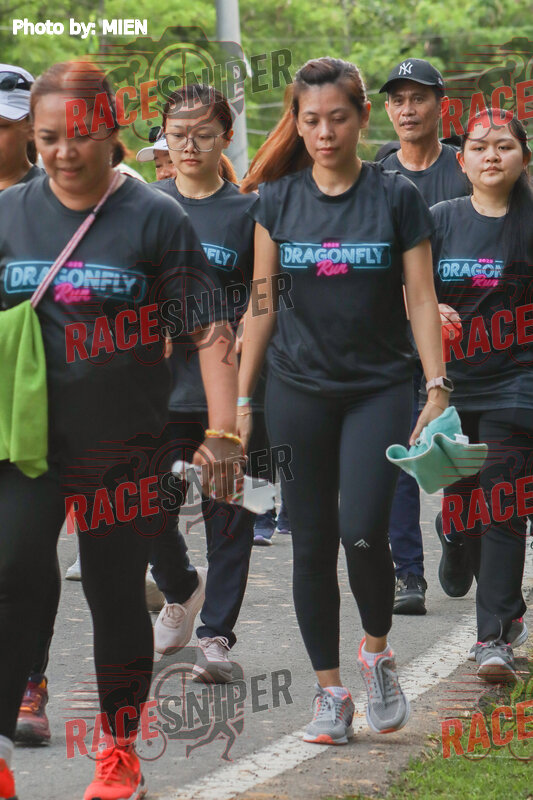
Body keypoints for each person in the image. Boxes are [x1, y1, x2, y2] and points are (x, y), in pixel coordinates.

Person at [0, 61, 241, 800]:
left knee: (112, 594)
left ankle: (119, 751)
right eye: (48, 138)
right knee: (11, 575)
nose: (63, 152)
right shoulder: (9, 214)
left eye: (78, 136)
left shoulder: (154, 217)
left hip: (125, 447)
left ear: (111, 132)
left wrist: (224, 432)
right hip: (27, 447)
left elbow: (210, 328)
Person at [239, 56, 447, 744]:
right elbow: (261, 304)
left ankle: (376, 652)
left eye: (337, 118)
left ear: (361, 118)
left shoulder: (395, 198)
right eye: (311, 120)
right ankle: (330, 695)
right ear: (296, 124)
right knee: (309, 544)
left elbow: (421, 298)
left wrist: (436, 384)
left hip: (377, 389)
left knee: (362, 531)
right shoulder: (276, 201)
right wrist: (240, 400)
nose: (324, 133)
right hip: (296, 392)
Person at [149, 83, 263, 682]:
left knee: (231, 511)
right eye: (178, 134)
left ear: (226, 137)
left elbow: (266, 296)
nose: (189, 145)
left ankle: (216, 636)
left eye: (202, 134)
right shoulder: (143, 204)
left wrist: (246, 336)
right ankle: (179, 587)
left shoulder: (250, 211)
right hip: (157, 387)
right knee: (145, 508)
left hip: (229, 386)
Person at [430, 108, 532, 681]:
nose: (492, 155)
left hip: (518, 383)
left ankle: (493, 637)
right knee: (465, 499)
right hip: (453, 384)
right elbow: (404, 288)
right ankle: (454, 534)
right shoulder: (440, 219)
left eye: (505, 146)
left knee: (505, 502)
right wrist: (430, 308)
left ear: (523, 158)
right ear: (462, 161)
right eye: (479, 147)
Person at [378, 58, 471, 615]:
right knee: (400, 450)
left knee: (458, 446)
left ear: (441, 105)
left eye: (419, 98)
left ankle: (457, 527)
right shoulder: (377, 174)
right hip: (392, 336)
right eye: (398, 100)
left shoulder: (465, 166)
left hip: (465, 336)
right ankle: (407, 575)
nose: (407, 109)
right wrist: (416, 301)